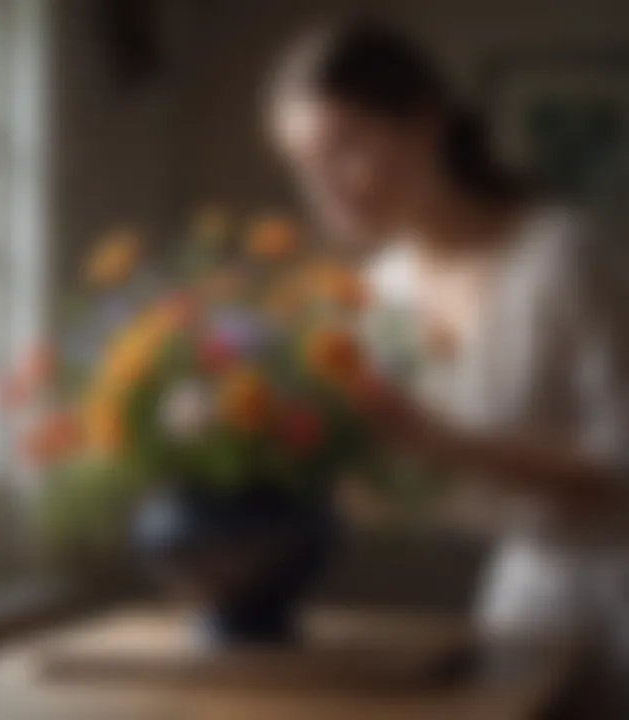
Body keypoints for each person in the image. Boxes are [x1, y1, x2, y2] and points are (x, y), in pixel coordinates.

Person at [268, 18, 629, 715]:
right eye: (304, 167)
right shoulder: (381, 293)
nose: (327, 188)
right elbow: (404, 489)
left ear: (426, 123)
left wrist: (434, 438)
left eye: (346, 146)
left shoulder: (562, 257)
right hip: (525, 599)